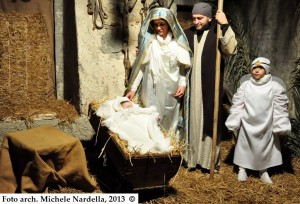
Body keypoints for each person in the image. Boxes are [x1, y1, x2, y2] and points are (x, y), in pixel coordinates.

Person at [184, 2, 238, 170]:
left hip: (210, 86)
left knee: (209, 120)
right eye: (194, 18)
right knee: (192, 120)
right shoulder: (186, 34)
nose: (196, 22)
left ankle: (208, 162)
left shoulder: (218, 32)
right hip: (191, 86)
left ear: (209, 17)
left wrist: (224, 24)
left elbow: (231, 50)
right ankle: (191, 160)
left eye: (200, 18)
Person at [125, 7, 192, 141]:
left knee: (170, 122)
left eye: (162, 24)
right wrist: (132, 89)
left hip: (172, 91)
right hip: (151, 90)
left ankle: (169, 150)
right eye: (156, 24)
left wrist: (183, 85)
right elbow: (142, 68)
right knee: (151, 118)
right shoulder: (150, 44)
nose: (159, 28)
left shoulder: (177, 45)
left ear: (169, 24)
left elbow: (183, 69)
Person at [225, 57, 291, 184]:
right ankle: (242, 169)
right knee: (244, 146)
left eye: (260, 68)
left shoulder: (274, 87)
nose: (256, 70)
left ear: (266, 70)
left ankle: (263, 170)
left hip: (266, 124)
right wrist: (234, 121)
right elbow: (238, 104)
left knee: (264, 147)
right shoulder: (245, 86)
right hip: (247, 123)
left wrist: (280, 124)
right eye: (254, 67)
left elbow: (280, 107)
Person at [96, 96, 173, 154]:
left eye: (130, 105)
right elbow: (111, 121)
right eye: (127, 106)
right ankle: (149, 145)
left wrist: (155, 115)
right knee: (137, 132)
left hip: (142, 121)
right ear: (120, 108)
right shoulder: (121, 114)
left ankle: (156, 142)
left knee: (148, 124)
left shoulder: (136, 109)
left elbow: (145, 112)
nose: (130, 107)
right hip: (133, 124)